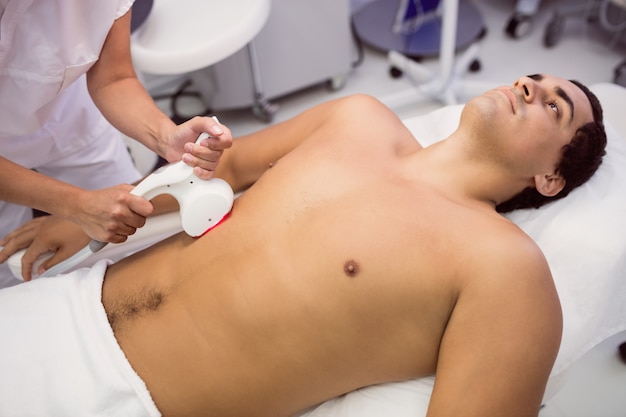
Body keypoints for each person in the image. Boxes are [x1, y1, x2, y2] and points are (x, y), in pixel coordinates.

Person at [0, 74, 606, 417]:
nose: (530, 86)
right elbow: (225, 169)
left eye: (555, 106)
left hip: (131, 402)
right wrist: (91, 213)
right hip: (65, 307)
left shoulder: (505, 268)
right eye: (534, 79)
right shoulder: (359, 119)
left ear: (551, 178)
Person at [0, 0, 232, 287]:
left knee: (130, 238)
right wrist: (75, 206)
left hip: (68, 116)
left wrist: (166, 137)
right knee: (12, 275)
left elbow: (114, 79)